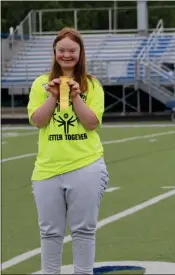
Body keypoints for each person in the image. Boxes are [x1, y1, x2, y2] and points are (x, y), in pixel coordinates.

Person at [27, 27, 109, 274]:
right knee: (50, 232)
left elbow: (92, 123)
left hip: (86, 165)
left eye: (72, 50)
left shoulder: (92, 84)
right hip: (47, 169)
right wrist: (52, 96)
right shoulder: (40, 83)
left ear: (80, 52)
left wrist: (76, 96)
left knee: (84, 231)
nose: (66, 55)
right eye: (61, 50)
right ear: (54, 51)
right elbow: (38, 120)